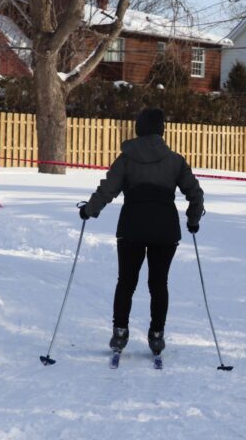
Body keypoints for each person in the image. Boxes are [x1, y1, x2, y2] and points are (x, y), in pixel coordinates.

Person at [80, 108, 204, 356]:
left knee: (126, 281)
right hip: (165, 229)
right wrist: (192, 220)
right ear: (161, 131)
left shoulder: (126, 159)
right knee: (159, 283)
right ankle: (157, 334)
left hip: (132, 226)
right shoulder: (175, 160)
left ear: (138, 128)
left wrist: (89, 210)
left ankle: (120, 332)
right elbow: (195, 193)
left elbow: (108, 189)